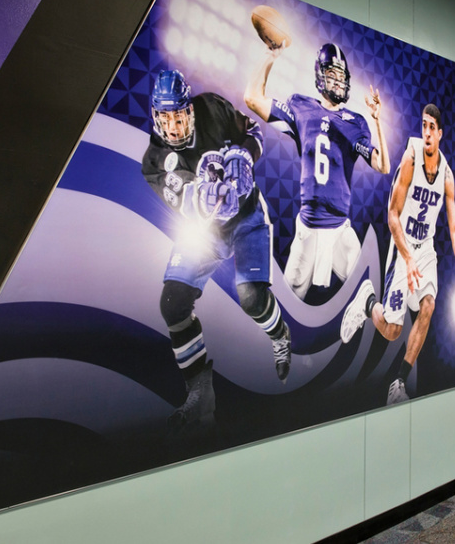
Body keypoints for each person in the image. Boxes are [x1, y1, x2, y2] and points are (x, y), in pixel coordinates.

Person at [143, 69, 291, 430]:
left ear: (190, 110)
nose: (175, 126)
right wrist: (204, 194)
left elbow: (253, 132)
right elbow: (185, 195)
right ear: (156, 117)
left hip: (246, 216)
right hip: (205, 228)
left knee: (252, 299)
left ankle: (280, 336)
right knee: (172, 303)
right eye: (166, 118)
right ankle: (199, 392)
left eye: (179, 115)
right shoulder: (155, 160)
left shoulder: (211, 107)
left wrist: (244, 154)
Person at [340, 104, 455, 405]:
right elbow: (392, 215)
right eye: (423, 125)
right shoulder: (411, 157)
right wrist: (408, 257)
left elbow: (453, 229)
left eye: (432, 128)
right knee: (391, 330)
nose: (426, 132)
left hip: (425, 247)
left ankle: (397, 382)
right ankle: (367, 301)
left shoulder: (447, 176)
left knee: (428, 305)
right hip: (403, 245)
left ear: (440, 134)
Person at [245, 43, 390, 300]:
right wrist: (271, 55)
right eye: (332, 74)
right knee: (286, 305)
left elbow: (383, 165)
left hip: (339, 231)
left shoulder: (355, 122)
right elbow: (253, 98)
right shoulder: (301, 108)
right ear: (320, 75)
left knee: (370, 296)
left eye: (341, 76)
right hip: (308, 227)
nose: (337, 81)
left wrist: (378, 121)